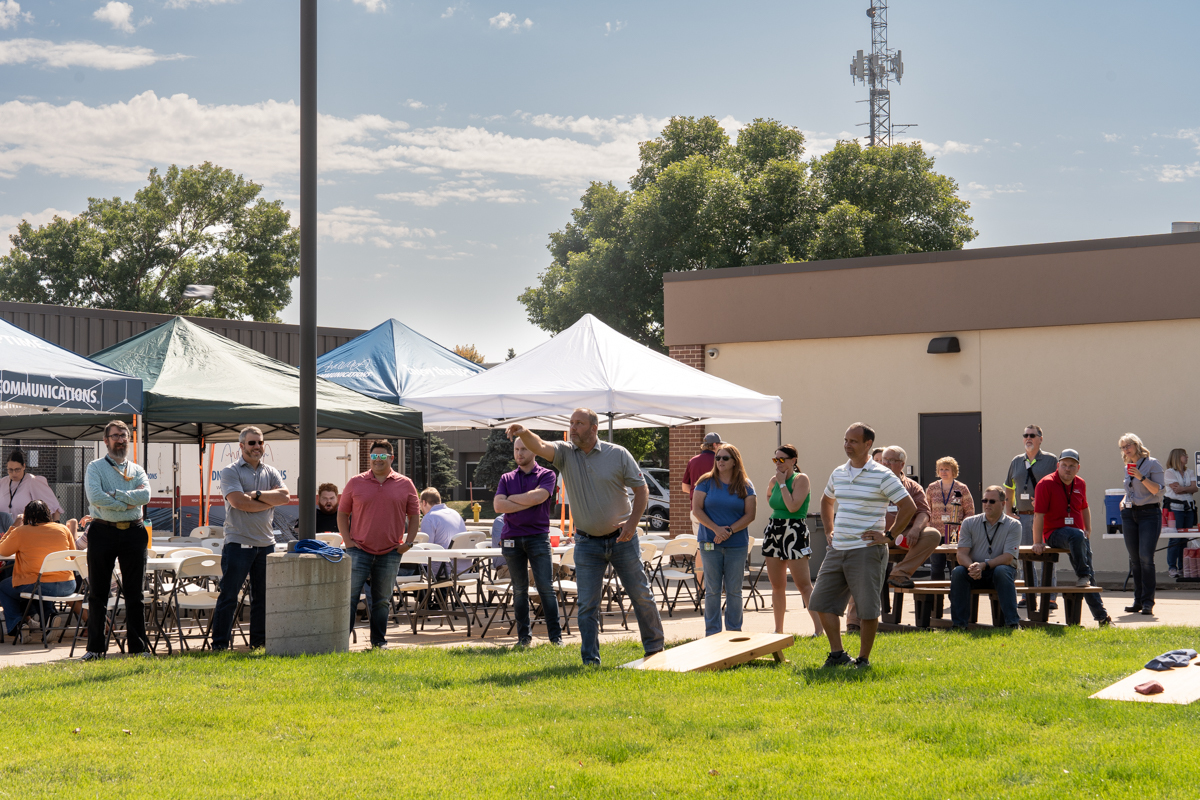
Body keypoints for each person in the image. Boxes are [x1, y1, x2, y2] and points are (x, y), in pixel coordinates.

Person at [507, 409, 664, 666]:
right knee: (588, 604)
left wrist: (633, 523)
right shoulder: (565, 453)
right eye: (571, 423)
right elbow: (541, 445)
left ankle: (655, 649)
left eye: (579, 423)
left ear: (594, 427)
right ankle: (590, 660)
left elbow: (641, 488)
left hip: (622, 540)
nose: (573, 428)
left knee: (641, 594)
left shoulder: (618, 454)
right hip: (587, 543)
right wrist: (523, 432)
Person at [812, 423, 915, 669]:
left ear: (868, 444)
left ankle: (863, 659)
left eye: (853, 441)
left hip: (868, 551)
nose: (847, 445)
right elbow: (826, 501)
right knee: (820, 601)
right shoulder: (838, 472)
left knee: (867, 608)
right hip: (837, 549)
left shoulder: (883, 474)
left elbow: (908, 506)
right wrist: (828, 530)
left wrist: (889, 536)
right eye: (846, 440)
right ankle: (837, 654)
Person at [211, 426, 291, 652]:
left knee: (262, 599)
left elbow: (285, 497)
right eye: (252, 442)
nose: (257, 446)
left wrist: (255, 495)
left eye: (260, 442)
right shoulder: (230, 472)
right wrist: (268, 500)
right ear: (242, 446)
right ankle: (219, 646)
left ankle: (259, 644)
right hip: (238, 544)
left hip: (266, 545)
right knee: (229, 596)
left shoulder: (271, 472)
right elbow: (239, 503)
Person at [845, 445, 939, 628]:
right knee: (863, 574)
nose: (885, 464)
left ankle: (900, 573)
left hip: (903, 538)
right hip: (874, 536)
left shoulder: (912, 487)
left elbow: (923, 513)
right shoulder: (868, 482)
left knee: (932, 534)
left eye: (890, 461)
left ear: (901, 464)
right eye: (882, 460)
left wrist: (914, 530)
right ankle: (854, 623)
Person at [80, 420, 152, 661]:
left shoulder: (137, 470)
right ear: (105, 440)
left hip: (134, 532)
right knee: (98, 594)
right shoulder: (95, 467)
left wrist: (116, 495)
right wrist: (129, 502)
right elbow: (96, 498)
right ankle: (95, 650)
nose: (120, 440)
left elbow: (146, 495)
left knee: (135, 594)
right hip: (102, 531)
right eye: (115, 436)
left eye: (124, 436)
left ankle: (139, 648)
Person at [338, 440, 420, 649]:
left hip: (391, 552)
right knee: (349, 598)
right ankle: (340, 643)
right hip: (359, 551)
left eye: (382, 456)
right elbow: (342, 513)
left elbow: (414, 515)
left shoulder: (405, 484)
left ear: (391, 458)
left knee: (382, 600)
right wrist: (348, 542)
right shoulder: (356, 482)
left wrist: (408, 543)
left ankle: (378, 642)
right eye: (374, 456)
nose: (377, 460)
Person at [493, 437, 563, 647]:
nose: (519, 453)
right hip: (511, 539)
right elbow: (498, 506)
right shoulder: (506, 477)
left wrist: (511, 499)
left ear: (533, 450)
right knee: (519, 590)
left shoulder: (547, 474)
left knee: (545, 588)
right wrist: (528, 499)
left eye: (524, 449)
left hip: (538, 538)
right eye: (516, 449)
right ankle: (524, 638)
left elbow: (538, 498)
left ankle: (555, 638)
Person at [1032, 448, 1112, 626]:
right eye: (1064, 465)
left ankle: (1102, 618)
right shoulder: (1045, 484)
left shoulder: (1080, 483)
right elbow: (1038, 515)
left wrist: (1088, 528)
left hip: (1078, 536)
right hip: (1054, 533)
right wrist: (1037, 542)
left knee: (1090, 577)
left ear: (1078, 467)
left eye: (1071, 466)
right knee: (1085, 571)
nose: (1067, 469)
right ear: (1058, 465)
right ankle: (1082, 575)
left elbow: (1084, 507)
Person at [691, 443, 757, 636]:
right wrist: (716, 529)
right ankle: (712, 633)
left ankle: (734, 632)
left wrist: (728, 531)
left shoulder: (746, 484)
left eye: (725, 458)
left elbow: (750, 514)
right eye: (718, 458)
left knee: (734, 591)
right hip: (710, 543)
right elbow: (697, 510)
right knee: (712, 590)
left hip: (736, 545)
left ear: (735, 461)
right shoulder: (705, 481)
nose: (720, 461)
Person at [762, 444, 822, 636]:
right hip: (774, 530)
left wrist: (781, 484)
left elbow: (793, 506)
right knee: (777, 585)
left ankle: (819, 629)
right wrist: (777, 483)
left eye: (782, 459)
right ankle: (778, 630)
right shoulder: (774, 480)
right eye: (775, 459)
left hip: (794, 530)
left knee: (803, 584)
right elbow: (771, 500)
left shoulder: (801, 479)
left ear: (793, 460)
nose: (778, 464)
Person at [0, 500, 76, 640]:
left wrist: (12, 528)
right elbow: (73, 555)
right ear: (48, 513)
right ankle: (49, 618)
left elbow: (2, 550)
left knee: (5, 587)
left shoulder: (21, 531)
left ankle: (18, 625)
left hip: (38, 584)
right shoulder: (63, 529)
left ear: (26, 516)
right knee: (37, 586)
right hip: (68, 585)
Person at [950, 486, 1023, 629]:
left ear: (1003, 504)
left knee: (1002, 570)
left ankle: (1013, 623)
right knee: (958, 572)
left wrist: (984, 565)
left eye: (992, 501)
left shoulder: (1014, 525)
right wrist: (972, 566)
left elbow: (1008, 558)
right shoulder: (969, 523)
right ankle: (959, 625)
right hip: (975, 571)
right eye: (985, 500)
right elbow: (961, 554)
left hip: (1000, 572)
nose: (987, 504)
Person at [1004, 425, 1058, 608]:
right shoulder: (1017, 461)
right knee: (1024, 556)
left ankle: (1050, 596)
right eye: (1025, 435)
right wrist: (1008, 511)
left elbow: (1058, 486)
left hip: (1044, 516)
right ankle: (1028, 594)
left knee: (1046, 556)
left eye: (1032, 435)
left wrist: (1047, 503)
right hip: (1022, 516)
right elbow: (1009, 487)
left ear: (1040, 439)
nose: (1028, 438)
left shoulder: (1051, 460)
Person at [1118, 433, 1165, 615]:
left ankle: (1148, 602)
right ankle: (1137, 601)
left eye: (1128, 445)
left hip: (1149, 514)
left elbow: (1158, 491)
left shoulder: (1153, 463)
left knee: (1146, 558)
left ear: (1137, 445)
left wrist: (1141, 477)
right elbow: (1130, 490)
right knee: (1135, 560)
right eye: (1122, 447)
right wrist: (1123, 500)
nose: (1125, 449)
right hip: (1130, 515)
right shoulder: (1127, 467)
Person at [682, 432, 720, 590]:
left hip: (697, 511)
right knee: (717, 547)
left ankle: (701, 586)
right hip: (717, 511)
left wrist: (697, 494)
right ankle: (716, 584)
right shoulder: (721, 460)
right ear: (715, 445)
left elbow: (685, 487)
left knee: (701, 546)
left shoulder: (693, 461)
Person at [926, 456, 974, 581]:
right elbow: (926, 510)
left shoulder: (962, 488)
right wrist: (927, 526)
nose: (943, 472)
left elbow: (970, 511)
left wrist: (962, 528)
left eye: (947, 469)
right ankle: (937, 599)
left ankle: (955, 597)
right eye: (941, 469)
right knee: (936, 566)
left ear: (953, 471)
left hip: (955, 534)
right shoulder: (932, 488)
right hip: (935, 534)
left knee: (955, 566)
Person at [2, 449, 63, 522]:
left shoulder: (33, 481)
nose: (14, 473)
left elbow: (54, 507)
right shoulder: (2, 483)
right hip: (4, 531)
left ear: (24, 466)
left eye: (17, 469)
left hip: (27, 530)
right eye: (10, 470)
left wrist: (57, 526)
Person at [1163, 448, 1198, 579]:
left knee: (1185, 538)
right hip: (1175, 509)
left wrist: (1184, 489)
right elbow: (1176, 490)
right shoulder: (1169, 472)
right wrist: (1188, 489)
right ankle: (1172, 567)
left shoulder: (1190, 471)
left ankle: (1183, 567)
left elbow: (1196, 487)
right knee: (1175, 538)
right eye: (1184, 455)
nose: (1187, 457)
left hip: (1188, 508)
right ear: (1177, 457)